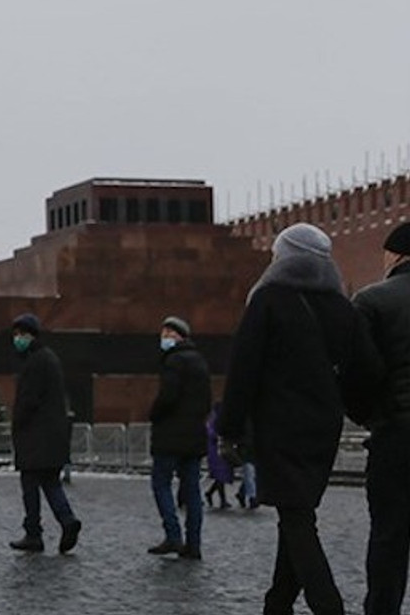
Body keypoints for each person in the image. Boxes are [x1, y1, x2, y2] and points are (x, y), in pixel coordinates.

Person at [220, 223, 383, 615]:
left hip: (279, 427)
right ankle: (277, 604)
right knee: (296, 512)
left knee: (296, 519)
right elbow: (367, 372)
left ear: (286, 257)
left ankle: (328, 606)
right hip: (324, 428)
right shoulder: (343, 307)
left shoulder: (268, 300)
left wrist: (229, 428)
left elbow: (244, 368)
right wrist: (360, 413)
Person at [351, 221, 410, 615]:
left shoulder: (372, 300)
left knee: (389, 537)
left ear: (396, 255)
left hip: (397, 436)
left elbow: (358, 372)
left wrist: (370, 416)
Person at [7, 313, 82, 554]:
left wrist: (16, 424)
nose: (17, 339)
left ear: (32, 336)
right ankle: (67, 520)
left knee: (30, 485)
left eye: (22, 334)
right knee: (51, 483)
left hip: (35, 436)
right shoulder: (48, 358)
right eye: (15, 334)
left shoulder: (35, 362)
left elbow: (28, 401)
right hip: (51, 437)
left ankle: (33, 533)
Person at [146, 316, 212, 560]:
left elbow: (168, 397)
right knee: (192, 491)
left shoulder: (174, 362)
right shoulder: (200, 362)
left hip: (170, 437)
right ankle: (193, 544)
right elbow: (206, 402)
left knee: (161, 483)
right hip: (194, 437)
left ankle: (173, 535)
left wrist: (154, 414)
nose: (164, 337)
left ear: (180, 336)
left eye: (169, 333)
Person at [205, 404, 233, 509]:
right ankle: (222, 500)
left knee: (221, 476)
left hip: (218, 451)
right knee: (221, 476)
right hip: (217, 452)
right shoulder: (215, 421)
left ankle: (211, 494)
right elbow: (211, 434)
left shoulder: (214, 420)